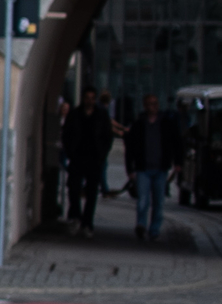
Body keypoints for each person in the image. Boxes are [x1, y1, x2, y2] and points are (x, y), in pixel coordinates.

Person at [116, 91, 183, 242]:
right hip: (143, 168)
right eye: (150, 104)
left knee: (158, 201)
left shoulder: (166, 123)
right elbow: (130, 149)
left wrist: (178, 162)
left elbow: (177, 143)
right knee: (143, 200)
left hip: (160, 168)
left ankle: (154, 229)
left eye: (155, 104)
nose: (153, 107)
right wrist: (130, 170)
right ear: (145, 106)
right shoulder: (139, 125)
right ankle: (141, 224)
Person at [62, 88, 113, 237]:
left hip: (94, 158)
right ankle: (76, 217)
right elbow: (67, 134)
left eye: (92, 98)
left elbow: (107, 136)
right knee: (74, 189)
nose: (89, 101)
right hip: (77, 157)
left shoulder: (101, 115)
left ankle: (87, 223)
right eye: (87, 98)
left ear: (95, 99)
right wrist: (71, 152)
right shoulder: (75, 114)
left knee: (92, 193)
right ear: (83, 98)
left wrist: (101, 154)